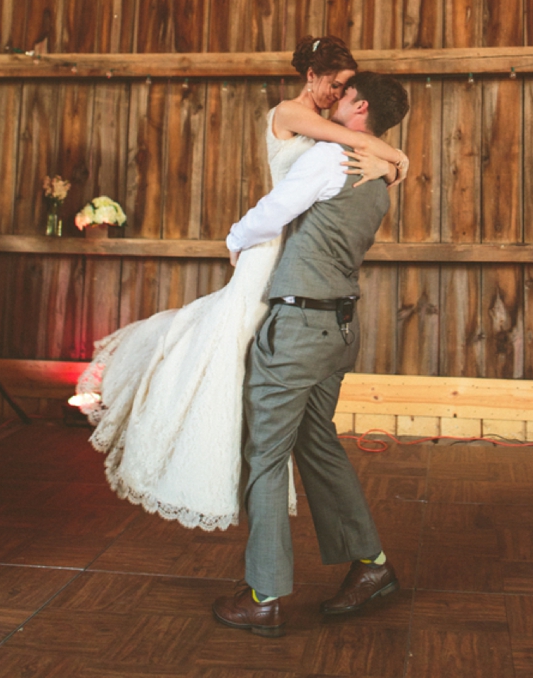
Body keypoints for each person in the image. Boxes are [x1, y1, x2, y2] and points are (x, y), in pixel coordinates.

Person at [75, 36, 408, 532]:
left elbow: (359, 144)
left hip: (295, 249)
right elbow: (363, 141)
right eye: (333, 84)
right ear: (311, 75)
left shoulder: (333, 142)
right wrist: (397, 161)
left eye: (344, 90)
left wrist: (390, 162)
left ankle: (247, 449)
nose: (335, 94)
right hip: (274, 242)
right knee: (230, 338)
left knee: (248, 352)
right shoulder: (292, 113)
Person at [212, 71, 410, 638]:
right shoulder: (378, 175)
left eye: (342, 97)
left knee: (266, 455)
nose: (332, 104)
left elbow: (274, 210)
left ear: (360, 105)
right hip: (341, 328)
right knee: (317, 443)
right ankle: (370, 565)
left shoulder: (331, 158)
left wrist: (233, 239)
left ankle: (264, 594)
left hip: (298, 328)